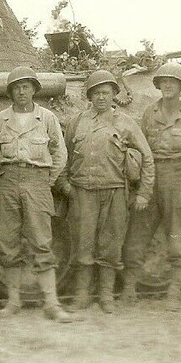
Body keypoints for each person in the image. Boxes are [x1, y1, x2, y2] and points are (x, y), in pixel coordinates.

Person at [59, 70, 154, 313]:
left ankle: (106, 295)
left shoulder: (125, 123)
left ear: (114, 94)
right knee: (83, 244)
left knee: (111, 245)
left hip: (114, 191)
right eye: (96, 93)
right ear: (89, 96)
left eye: (106, 92)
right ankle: (82, 294)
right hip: (83, 192)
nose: (101, 97)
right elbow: (64, 156)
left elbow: (147, 158)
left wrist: (144, 192)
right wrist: (65, 185)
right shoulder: (77, 122)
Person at [124, 62, 181, 310]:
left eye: (173, 82)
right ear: (158, 85)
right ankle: (129, 287)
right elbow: (140, 148)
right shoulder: (149, 113)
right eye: (163, 81)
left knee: (179, 237)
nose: (168, 85)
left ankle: (174, 290)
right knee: (138, 233)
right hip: (151, 177)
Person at [0, 66, 71, 322]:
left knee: (42, 240)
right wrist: (0, 179)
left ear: (34, 90)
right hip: (8, 180)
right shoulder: (0, 119)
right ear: (10, 92)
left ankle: (51, 303)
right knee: (8, 240)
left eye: (26, 87)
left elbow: (60, 152)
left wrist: (48, 180)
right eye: (16, 87)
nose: (21, 91)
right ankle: (13, 301)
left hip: (38, 180)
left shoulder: (46, 118)